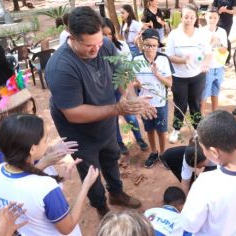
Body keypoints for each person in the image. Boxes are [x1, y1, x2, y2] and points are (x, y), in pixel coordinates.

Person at [45, 6, 156, 217]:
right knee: (91, 172)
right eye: (89, 46)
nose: (97, 49)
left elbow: (120, 75)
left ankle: (116, 193)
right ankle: (101, 207)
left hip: (105, 122)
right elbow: (73, 113)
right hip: (80, 134)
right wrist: (117, 108)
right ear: (72, 38)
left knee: (111, 157)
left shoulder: (103, 44)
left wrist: (133, 100)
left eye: (98, 43)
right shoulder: (61, 67)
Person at [0, 114, 99, 235]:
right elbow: (67, 227)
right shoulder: (45, 187)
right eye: (45, 140)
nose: (47, 145)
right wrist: (86, 186)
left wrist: (59, 180)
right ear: (32, 149)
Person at [165, 3, 211, 144]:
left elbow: (208, 53)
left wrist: (205, 63)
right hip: (179, 77)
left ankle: (197, 130)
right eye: (186, 17)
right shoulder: (174, 34)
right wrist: (182, 60)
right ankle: (177, 129)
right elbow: (169, 56)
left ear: (196, 18)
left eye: (192, 17)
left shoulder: (201, 34)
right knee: (180, 104)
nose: (189, 20)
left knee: (195, 104)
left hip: (198, 76)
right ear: (181, 17)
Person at [103, 18, 149, 155]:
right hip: (106, 90)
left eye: (109, 34)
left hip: (123, 86)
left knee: (131, 115)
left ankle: (139, 138)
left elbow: (129, 68)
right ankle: (119, 142)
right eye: (103, 35)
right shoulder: (97, 51)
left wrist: (130, 89)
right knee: (113, 118)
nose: (107, 38)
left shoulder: (122, 45)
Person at [133, 28, 172, 168]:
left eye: (154, 45)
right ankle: (154, 152)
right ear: (143, 44)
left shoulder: (163, 59)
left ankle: (163, 154)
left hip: (160, 103)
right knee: (149, 130)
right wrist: (135, 83)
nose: (151, 48)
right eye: (148, 45)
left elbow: (169, 83)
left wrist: (157, 74)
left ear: (158, 46)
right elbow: (133, 82)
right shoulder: (136, 60)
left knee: (161, 131)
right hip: (145, 104)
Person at [200, 8, 228, 116]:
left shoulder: (222, 31)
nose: (212, 20)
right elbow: (200, 50)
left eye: (215, 17)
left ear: (218, 18)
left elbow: (224, 50)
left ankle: (215, 116)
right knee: (204, 94)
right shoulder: (201, 31)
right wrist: (210, 43)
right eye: (210, 17)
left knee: (215, 92)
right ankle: (201, 119)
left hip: (219, 67)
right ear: (206, 17)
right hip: (207, 67)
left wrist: (217, 43)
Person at [212, 0, 236, 65]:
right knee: (217, 38)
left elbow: (235, 11)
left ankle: (226, 60)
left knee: (225, 38)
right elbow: (213, 9)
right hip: (217, 21)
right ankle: (217, 56)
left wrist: (226, 10)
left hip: (227, 22)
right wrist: (219, 11)